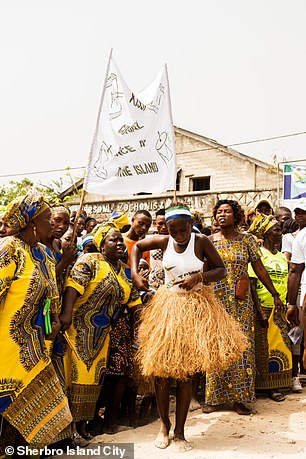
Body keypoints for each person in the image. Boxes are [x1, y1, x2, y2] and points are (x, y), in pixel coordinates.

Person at [131, 204, 247, 451]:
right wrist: (134, 272)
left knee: (186, 374)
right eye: (174, 232)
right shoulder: (164, 241)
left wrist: (200, 278)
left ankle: (181, 432)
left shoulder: (201, 240)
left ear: (190, 225)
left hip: (196, 308)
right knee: (161, 373)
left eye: (183, 230)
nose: (179, 236)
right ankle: (164, 425)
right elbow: (138, 247)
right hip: (168, 308)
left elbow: (221, 270)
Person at [0, 189, 72, 450]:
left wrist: (53, 325)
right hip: (7, 350)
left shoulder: (44, 253)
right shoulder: (9, 249)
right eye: (47, 218)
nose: (52, 223)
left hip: (37, 348)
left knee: (34, 418)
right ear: (31, 224)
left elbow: (52, 296)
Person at [59, 219, 142, 440]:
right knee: (72, 377)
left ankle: (82, 424)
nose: (119, 243)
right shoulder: (89, 261)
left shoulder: (124, 271)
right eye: (113, 239)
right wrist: (66, 315)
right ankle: (65, 430)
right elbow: (72, 287)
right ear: (101, 243)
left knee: (93, 380)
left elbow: (134, 303)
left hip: (102, 335)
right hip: (76, 330)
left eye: (120, 240)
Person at [204, 199, 284, 416]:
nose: (222, 215)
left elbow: (259, 269)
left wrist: (275, 294)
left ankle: (240, 399)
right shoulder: (208, 241)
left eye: (227, 211)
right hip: (216, 301)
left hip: (240, 302)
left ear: (236, 216)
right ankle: (215, 398)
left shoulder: (247, 240)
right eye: (219, 212)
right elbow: (202, 271)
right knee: (216, 346)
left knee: (242, 349)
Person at [248, 214, 292, 400]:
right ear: (266, 233)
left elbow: (286, 281)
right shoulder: (258, 255)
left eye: (280, 230)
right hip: (263, 307)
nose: (280, 233)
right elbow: (251, 283)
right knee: (263, 348)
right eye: (276, 230)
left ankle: (278, 385)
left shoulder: (281, 257)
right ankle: (265, 388)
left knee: (280, 346)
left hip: (279, 309)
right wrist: (258, 309)